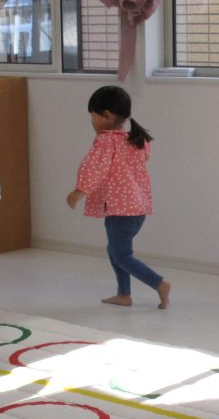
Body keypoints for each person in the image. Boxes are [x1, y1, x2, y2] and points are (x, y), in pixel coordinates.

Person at [67, 86, 171, 309]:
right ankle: (124, 294)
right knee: (116, 251)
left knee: (121, 255)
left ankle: (159, 284)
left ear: (106, 115)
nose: (92, 121)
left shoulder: (107, 141)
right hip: (135, 209)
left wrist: (80, 191)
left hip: (121, 210)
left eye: (93, 116)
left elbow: (94, 167)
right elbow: (140, 160)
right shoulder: (134, 138)